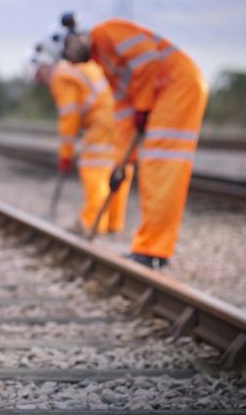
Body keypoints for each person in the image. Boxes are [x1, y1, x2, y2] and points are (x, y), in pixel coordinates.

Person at [60, 13, 208, 268]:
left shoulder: (106, 32)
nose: (72, 63)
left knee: (160, 168)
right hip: (164, 91)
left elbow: (147, 59)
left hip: (176, 85)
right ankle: (152, 248)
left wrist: (143, 105)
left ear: (74, 38)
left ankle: (153, 250)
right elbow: (124, 111)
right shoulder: (103, 63)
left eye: (68, 54)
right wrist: (121, 163)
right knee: (154, 168)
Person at [30, 32, 131, 235]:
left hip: (103, 120)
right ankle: (112, 222)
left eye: (39, 77)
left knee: (93, 166)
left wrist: (65, 154)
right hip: (121, 114)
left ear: (43, 67)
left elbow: (69, 120)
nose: (42, 81)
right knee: (118, 165)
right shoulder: (75, 70)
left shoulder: (61, 77)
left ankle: (91, 222)